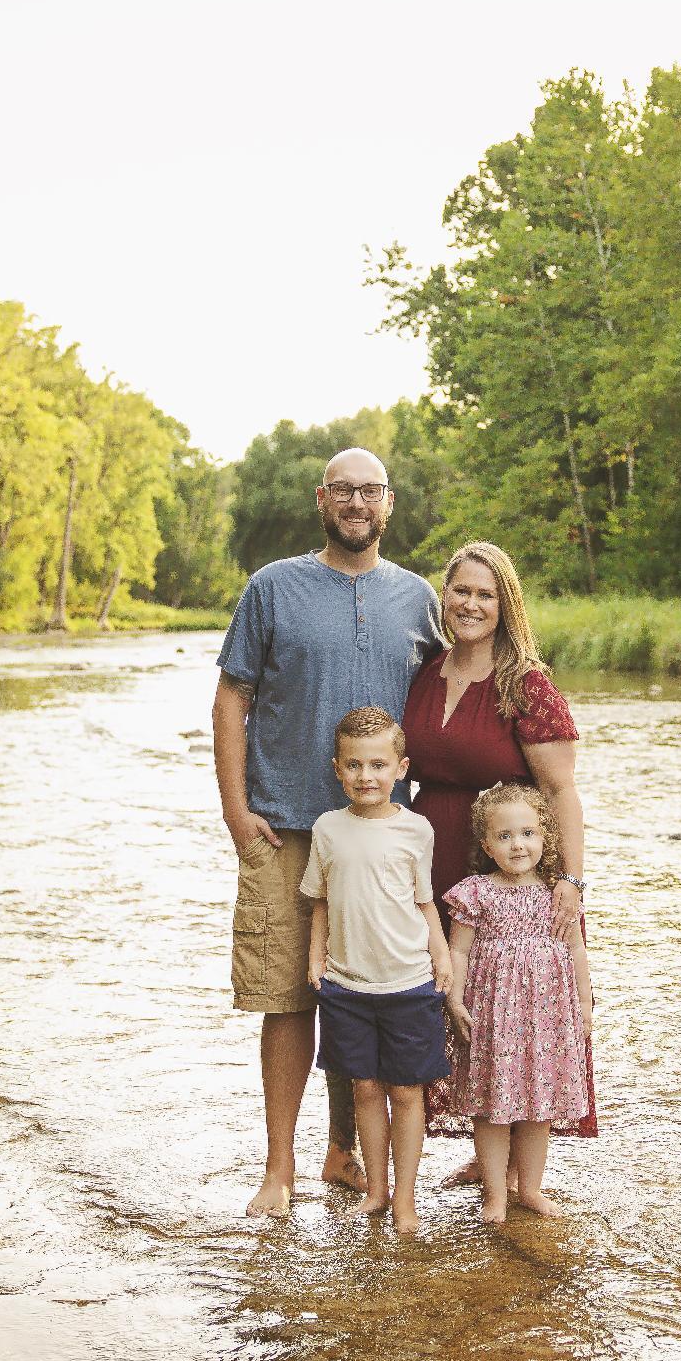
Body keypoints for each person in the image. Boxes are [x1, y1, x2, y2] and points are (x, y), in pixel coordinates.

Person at [214, 448, 443, 1218]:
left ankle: (344, 1154)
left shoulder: (418, 599)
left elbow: (453, 697)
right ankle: (278, 1171)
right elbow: (230, 700)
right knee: (289, 997)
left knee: (372, 990)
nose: (356, 502)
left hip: (382, 835)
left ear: (389, 502)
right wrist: (236, 810)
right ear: (323, 499)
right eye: (343, 490)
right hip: (286, 825)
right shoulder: (273, 587)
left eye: (369, 491)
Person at [402, 540, 593, 1151]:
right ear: (444, 595)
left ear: (505, 605)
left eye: (486, 594)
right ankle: (480, 1155)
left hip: (508, 867)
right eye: (461, 591)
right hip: (431, 855)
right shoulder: (426, 671)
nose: (471, 604)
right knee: (448, 999)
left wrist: (569, 879)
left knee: (512, 1013)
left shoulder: (526, 686)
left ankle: (518, 1172)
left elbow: (561, 790)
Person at [303, 707, 460, 1235]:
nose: (366, 776)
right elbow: (320, 902)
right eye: (354, 765)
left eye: (378, 765)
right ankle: (376, 1189)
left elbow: (425, 902)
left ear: (401, 768)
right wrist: (314, 959)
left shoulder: (416, 830)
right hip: (346, 985)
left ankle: (407, 1199)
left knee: (407, 1091)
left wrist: (441, 956)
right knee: (365, 1088)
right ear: (337, 769)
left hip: (408, 982)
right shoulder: (327, 829)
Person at [444, 782, 593, 1224]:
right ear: (487, 844)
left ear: (545, 837)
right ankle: (494, 1193)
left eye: (527, 833)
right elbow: (459, 952)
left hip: (548, 1016)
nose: (517, 845)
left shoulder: (557, 893)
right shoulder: (475, 892)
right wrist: (454, 998)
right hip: (494, 1015)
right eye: (505, 836)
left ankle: (528, 1188)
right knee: (491, 1106)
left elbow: (576, 951)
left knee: (539, 1105)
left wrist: (584, 1006)